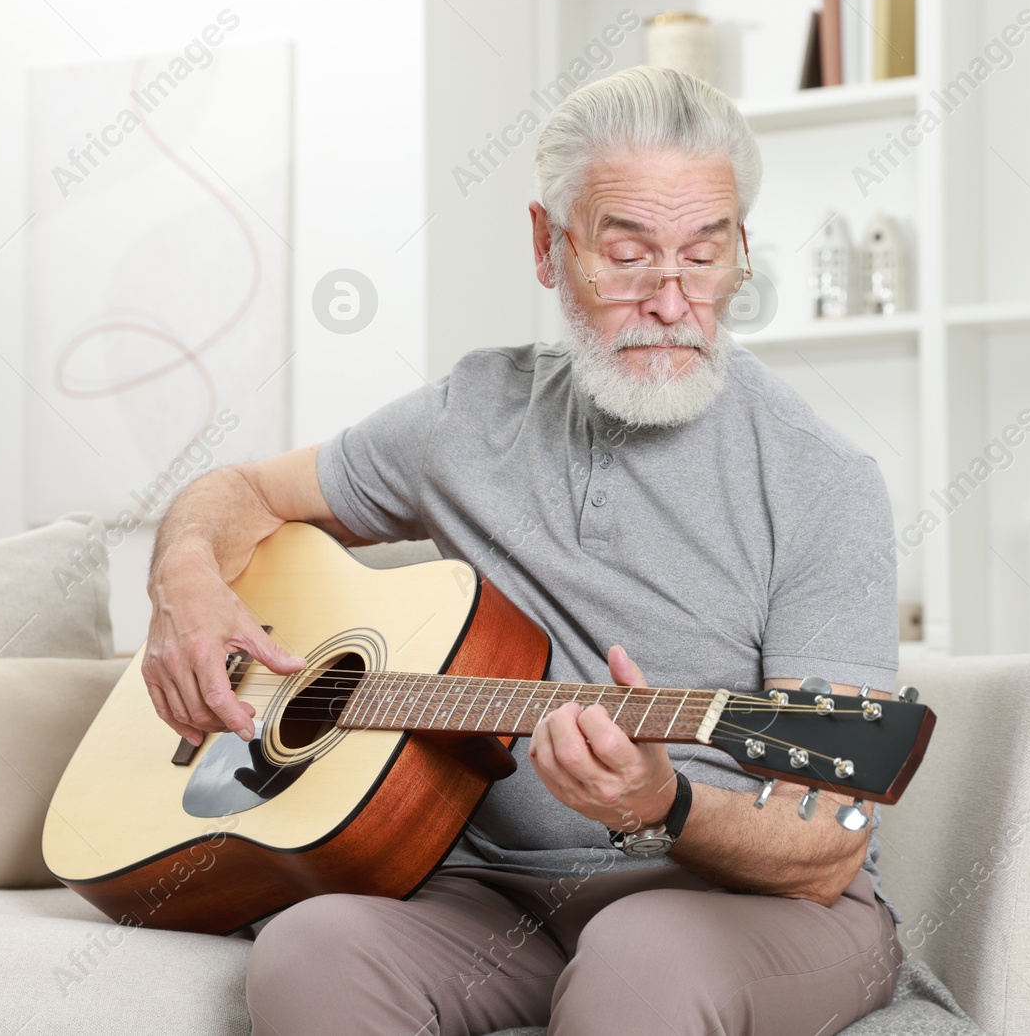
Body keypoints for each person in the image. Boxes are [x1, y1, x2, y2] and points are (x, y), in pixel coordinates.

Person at [143, 65, 901, 1036]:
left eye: (704, 257)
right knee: (310, 947)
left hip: (756, 910)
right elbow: (237, 491)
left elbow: (827, 847)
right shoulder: (467, 414)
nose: (671, 301)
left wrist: (663, 802)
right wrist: (187, 584)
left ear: (740, 250)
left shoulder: (820, 479)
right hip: (492, 902)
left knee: (643, 956)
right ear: (548, 244)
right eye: (627, 256)